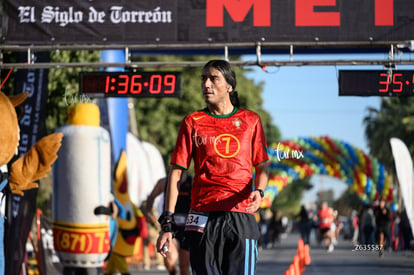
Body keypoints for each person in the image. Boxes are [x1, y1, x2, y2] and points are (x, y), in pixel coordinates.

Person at [156, 59, 269, 275]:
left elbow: (263, 167)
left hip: (241, 215)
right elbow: (176, 174)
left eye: (213, 78)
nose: (206, 84)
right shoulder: (192, 121)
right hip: (202, 215)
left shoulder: (251, 120)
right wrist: (167, 224)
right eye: (203, 79)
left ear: (229, 85)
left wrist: (260, 191)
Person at [144, 171, 193, 275]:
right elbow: (151, 197)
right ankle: (172, 272)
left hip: (187, 229)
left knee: (184, 267)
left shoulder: (192, 182)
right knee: (170, 259)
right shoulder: (164, 182)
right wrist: (147, 212)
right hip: (170, 227)